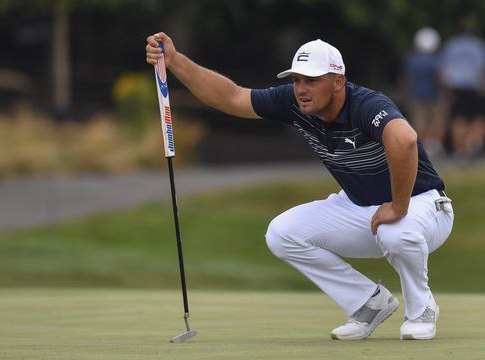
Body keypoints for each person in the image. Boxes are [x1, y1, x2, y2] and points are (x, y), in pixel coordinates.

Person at [146, 33, 454, 340]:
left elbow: (405, 140)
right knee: (282, 233)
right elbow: (232, 96)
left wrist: (398, 205)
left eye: (311, 80)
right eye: (297, 80)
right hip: (364, 208)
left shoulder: (367, 105)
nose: (302, 89)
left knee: (395, 230)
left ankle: (421, 310)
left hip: (424, 206)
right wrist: (175, 62)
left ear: (338, 81)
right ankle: (368, 302)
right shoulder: (292, 102)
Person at [439, 18, 485, 161]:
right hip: (475, 85)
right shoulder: (480, 45)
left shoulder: (451, 45)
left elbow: (443, 70)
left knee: (459, 118)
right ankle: (473, 141)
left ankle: (460, 150)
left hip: (456, 86)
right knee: (481, 116)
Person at [402, 27, 447, 158]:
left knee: (419, 123)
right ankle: (432, 145)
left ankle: (423, 148)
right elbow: (439, 79)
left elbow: (406, 80)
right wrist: (444, 95)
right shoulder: (436, 60)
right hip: (435, 96)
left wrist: (407, 96)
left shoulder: (411, 60)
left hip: (416, 96)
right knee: (437, 121)